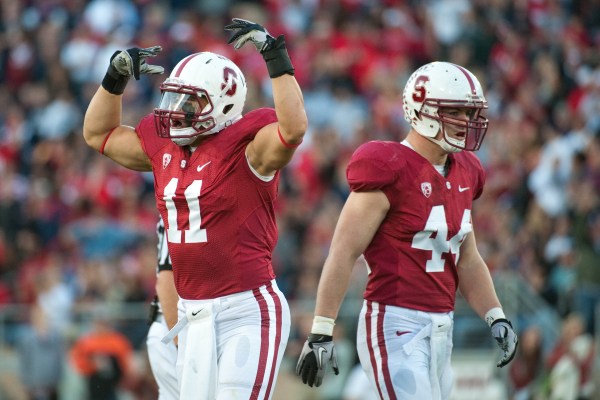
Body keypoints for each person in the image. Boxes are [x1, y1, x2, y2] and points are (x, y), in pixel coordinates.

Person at [82, 18, 307, 399]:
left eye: (191, 100)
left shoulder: (247, 147)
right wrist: (113, 80)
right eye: (175, 97)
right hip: (192, 313)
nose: (176, 109)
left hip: (245, 310)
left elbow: (293, 129)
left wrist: (275, 57)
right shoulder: (164, 147)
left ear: (223, 104)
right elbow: (97, 133)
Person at [296, 61, 518, 399]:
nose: (468, 123)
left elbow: (467, 257)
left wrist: (495, 315)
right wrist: (322, 330)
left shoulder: (466, 171)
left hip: (443, 326)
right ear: (424, 110)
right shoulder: (390, 166)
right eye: (457, 112)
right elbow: (343, 252)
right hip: (394, 322)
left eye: (470, 113)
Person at [146, 218, 178, 400]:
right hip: (171, 325)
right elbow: (166, 281)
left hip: (174, 325)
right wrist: (181, 344)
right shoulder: (177, 210)